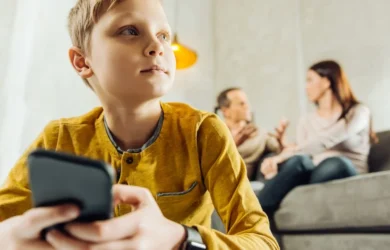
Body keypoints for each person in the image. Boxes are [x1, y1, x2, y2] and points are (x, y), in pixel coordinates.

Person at [0, 1, 279, 249]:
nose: (158, 46)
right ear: (82, 60)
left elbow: (263, 242)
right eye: (130, 31)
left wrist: (180, 238)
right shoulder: (58, 138)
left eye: (163, 35)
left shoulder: (203, 131)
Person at [258, 60, 377, 217]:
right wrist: (282, 148)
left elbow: (326, 140)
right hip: (315, 173)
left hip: (346, 170)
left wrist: (281, 158)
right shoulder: (306, 120)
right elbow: (303, 152)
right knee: (299, 161)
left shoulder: (358, 112)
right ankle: (253, 216)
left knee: (336, 162)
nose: (306, 86)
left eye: (309, 80)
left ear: (326, 81)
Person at [215, 87, 294, 181]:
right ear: (225, 111)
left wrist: (281, 139)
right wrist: (235, 143)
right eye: (242, 104)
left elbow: (283, 151)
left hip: (244, 183)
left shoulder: (259, 134)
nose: (247, 106)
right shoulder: (214, 135)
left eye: (247, 102)